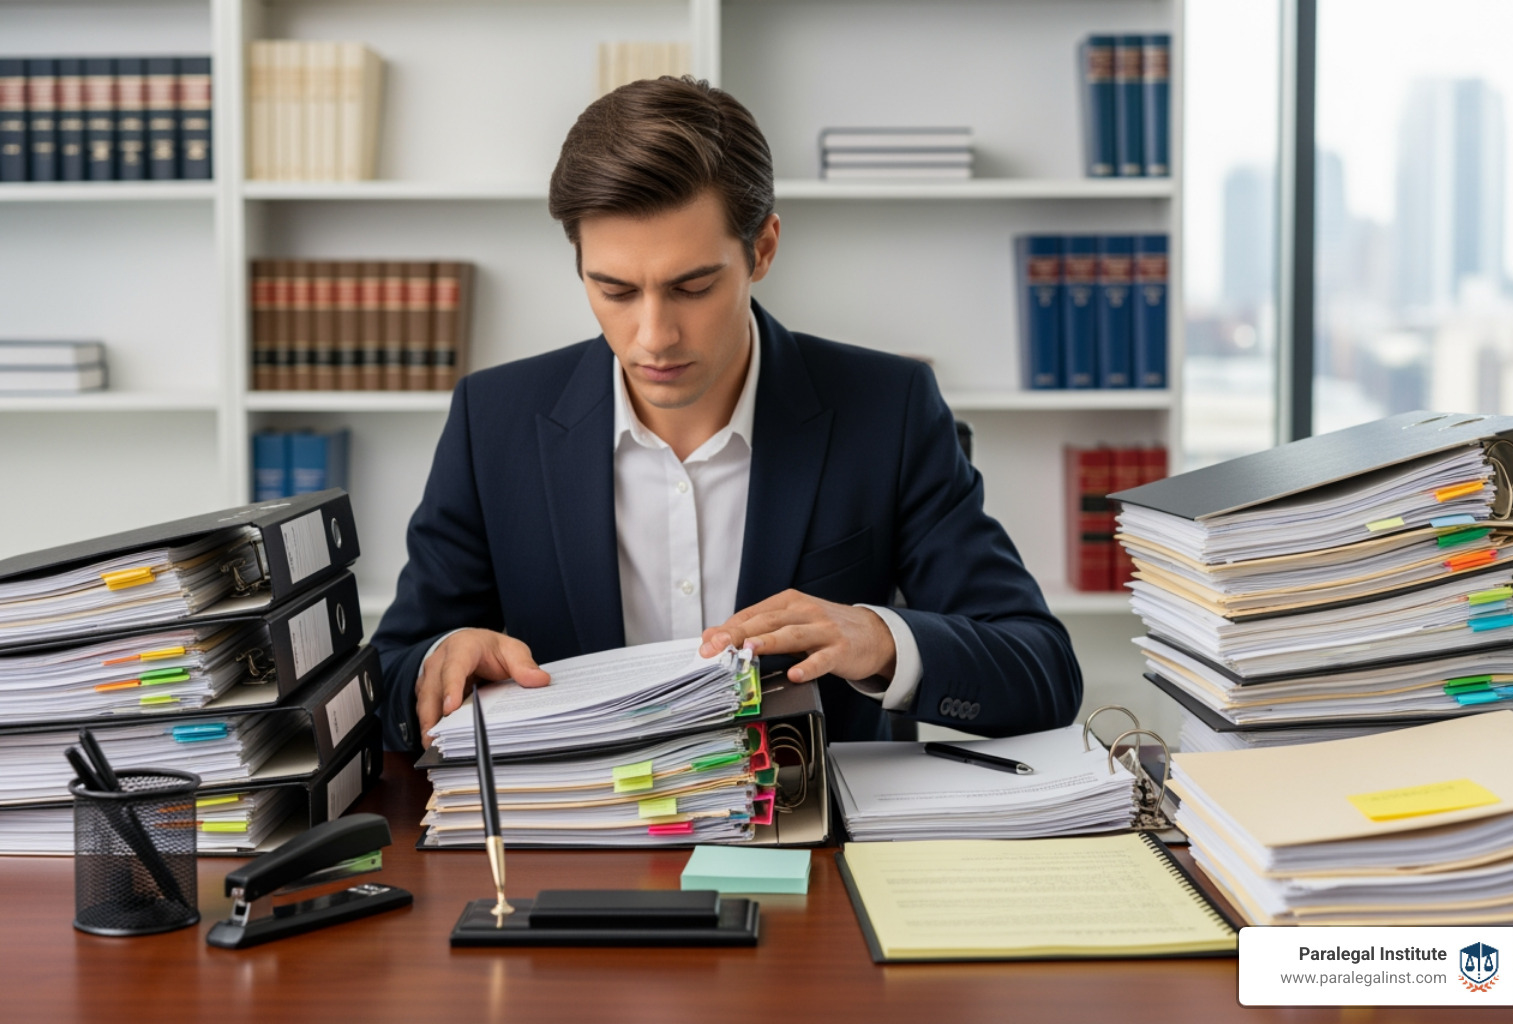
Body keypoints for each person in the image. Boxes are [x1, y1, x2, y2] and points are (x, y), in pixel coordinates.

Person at [371, 76, 1082, 751]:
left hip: (813, 854)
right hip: (578, 841)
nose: (654, 336)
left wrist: (882, 639)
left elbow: (1043, 671)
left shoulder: (888, 409)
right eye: (615, 290)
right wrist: (441, 661)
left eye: (693, 287)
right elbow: (390, 673)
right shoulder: (492, 421)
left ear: (763, 248)